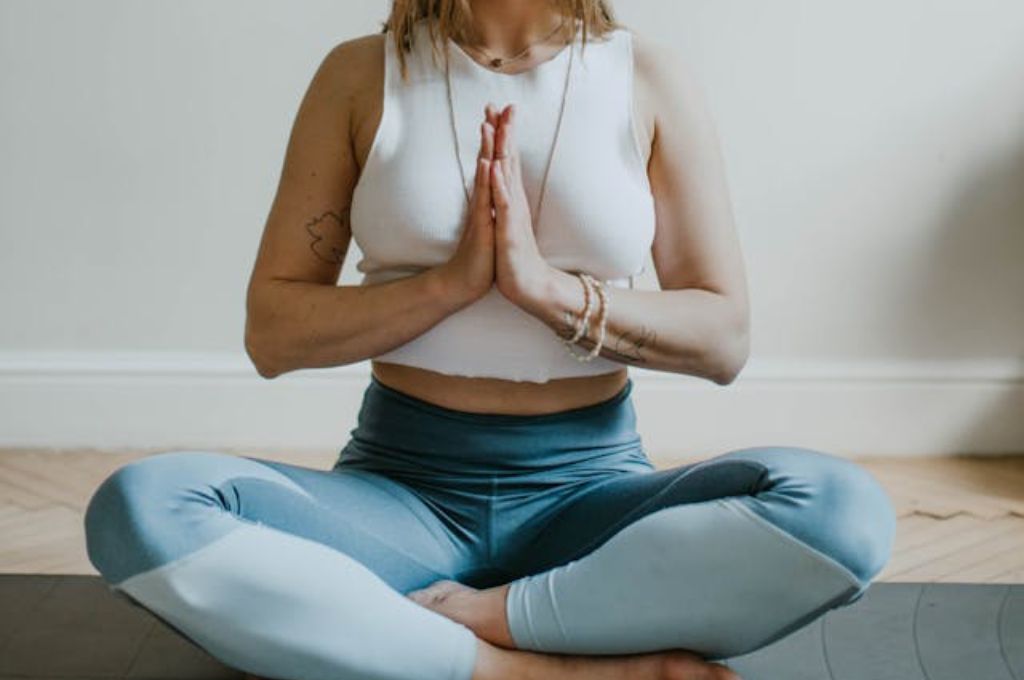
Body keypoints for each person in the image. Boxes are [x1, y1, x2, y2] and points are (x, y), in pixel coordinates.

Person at [83, 1, 897, 679]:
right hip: (398, 502)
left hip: (592, 504)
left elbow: (724, 337)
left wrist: (544, 290)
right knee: (142, 508)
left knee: (844, 513)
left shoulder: (646, 77)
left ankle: (461, 625)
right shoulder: (360, 75)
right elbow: (274, 333)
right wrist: (447, 286)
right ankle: (532, 668)